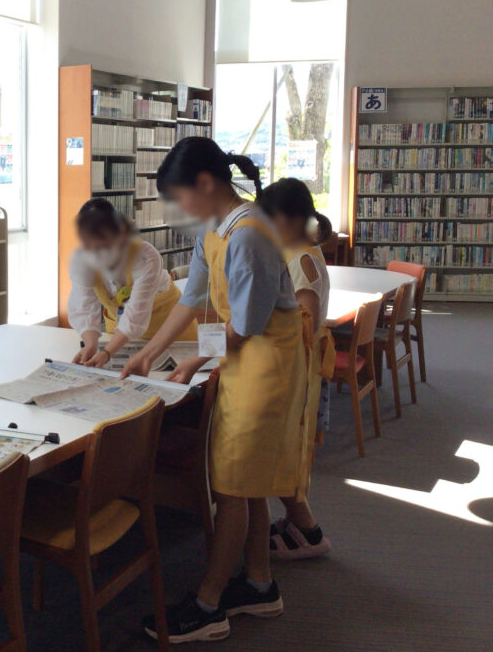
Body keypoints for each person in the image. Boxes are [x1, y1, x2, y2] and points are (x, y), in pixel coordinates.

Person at [120, 138, 308, 644]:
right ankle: (260, 584)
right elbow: (192, 298)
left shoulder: (248, 235)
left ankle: (208, 604)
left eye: (180, 197)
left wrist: (193, 359)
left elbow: (244, 325)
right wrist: (148, 352)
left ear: (205, 184)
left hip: (266, 366)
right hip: (244, 360)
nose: (180, 209)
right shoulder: (215, 230)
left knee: (231, 488)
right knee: (246, 482)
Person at [260, 177, 334, 560]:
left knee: (286, 452)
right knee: (286, 452)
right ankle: (297, 523)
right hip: (300, 366)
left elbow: (304, 322)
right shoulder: (305, 251)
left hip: (298, 370)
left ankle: (308, 531)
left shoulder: (301, 259)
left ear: (287, 219)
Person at [67, 197, 197, 368]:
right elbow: (84, 307)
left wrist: (107, 352)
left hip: (170, 331)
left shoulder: (145, 256)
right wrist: (90, 344)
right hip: (121, 338)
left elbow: (136, 313)